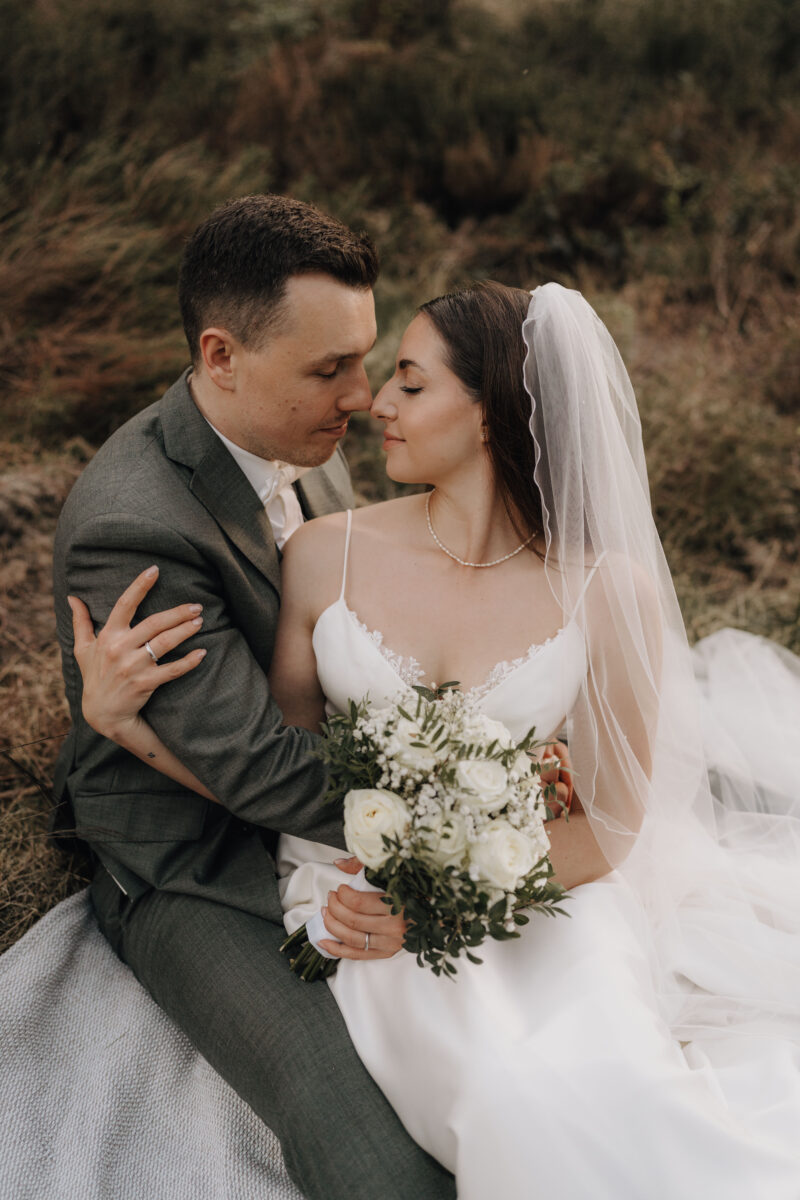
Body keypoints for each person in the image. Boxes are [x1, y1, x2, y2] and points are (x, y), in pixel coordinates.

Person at [70, 281, 800, 1198]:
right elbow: (276, 769)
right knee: (503, 1097)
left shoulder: (609, 589)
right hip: (358, 901)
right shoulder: (326, 550)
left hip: (542, 901)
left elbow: (610, 826)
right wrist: (123, 725)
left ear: (492, 412)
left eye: (411, 384)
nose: (376, 401)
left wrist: (451, 899)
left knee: (609, 1084)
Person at [52, 193, 456, 1200]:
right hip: (194, 856)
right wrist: (469, 815)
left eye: (363, 360)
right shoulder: (133, 528)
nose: (361, 397)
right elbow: (262, 771)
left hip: (320, 803)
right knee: (374, 1151)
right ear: (220, 355)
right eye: (330, 370)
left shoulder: (292, 439)